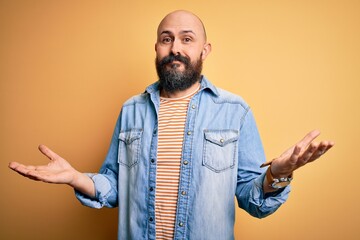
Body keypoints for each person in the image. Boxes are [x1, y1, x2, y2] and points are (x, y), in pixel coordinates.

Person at [9, 10, 334, 240]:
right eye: (166, 39)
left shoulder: (235, 111)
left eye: (186, 39)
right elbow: (113, 185)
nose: (175, 47)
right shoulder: (131, 110)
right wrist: (77, 178)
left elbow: (252, 199)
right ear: (156, 48)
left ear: (204, 50)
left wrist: (276, 174)